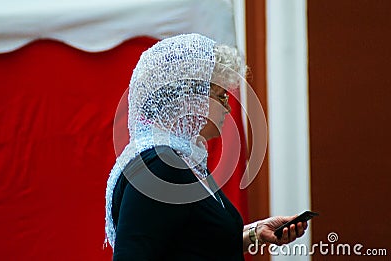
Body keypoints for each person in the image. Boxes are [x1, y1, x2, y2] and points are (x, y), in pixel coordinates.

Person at [104, 33, 308, 260]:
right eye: (221, 97)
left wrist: (256, 233)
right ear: (189, 99)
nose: (228, 108)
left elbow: (199, 243)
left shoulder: (186, 158)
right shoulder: (160, 166)